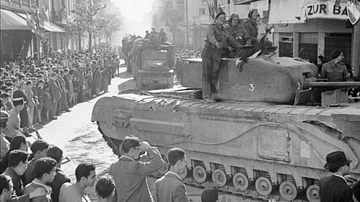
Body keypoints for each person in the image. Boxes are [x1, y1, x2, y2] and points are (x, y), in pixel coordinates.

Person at [109, 136, 165, 202]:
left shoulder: (113, 167)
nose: (140, 151)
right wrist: (149, 148)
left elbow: (114, 193)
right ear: (132, 150)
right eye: (138, 149)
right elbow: (159, 163)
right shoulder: (135, 166)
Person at [201, 11, 241, 103]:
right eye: (220, 18)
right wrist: (216, 43)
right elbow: (211, 37)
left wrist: (241, 47)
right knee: (206, 74)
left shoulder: (225, 31)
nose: (222, 20)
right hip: (208, 52)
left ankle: (213, 95)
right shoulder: (212, 27)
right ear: (216, 19)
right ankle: (206, 96)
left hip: (217, 53)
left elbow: (232, 41)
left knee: (214, 74)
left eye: (224, 18)